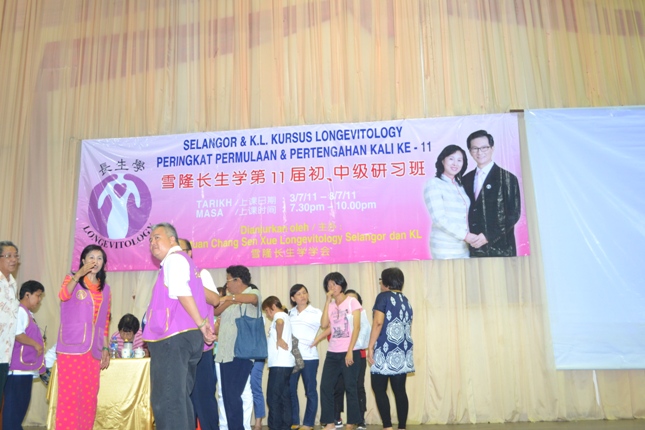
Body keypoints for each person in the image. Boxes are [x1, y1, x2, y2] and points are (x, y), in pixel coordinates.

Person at [142, 223, 216, 430]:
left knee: (167, 399)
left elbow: (181, 291)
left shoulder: (174, 259)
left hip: (172, 338)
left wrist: (202, 324)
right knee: (180, 398)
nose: (152, 243)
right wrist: (201, 325)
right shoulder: (187, 264)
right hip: (185, 338)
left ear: (172, 239)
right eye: (150, 240)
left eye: (157, 237)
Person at [56, 244, 112, 429]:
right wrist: (78, 275)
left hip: (93, 350)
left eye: (99, 258)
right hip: (71, 348)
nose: (95, 261)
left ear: (103, 263)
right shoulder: (72, 280)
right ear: (83, 260)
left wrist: (105, 347)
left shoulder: (106, 289)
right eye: (91, 257)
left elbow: (104, 321)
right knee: (70, 398)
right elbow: (63, 295)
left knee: (89, 397)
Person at [214, 265, 263, 430]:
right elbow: (215, 311)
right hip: (224, 354)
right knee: (228, 397)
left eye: (228, 280)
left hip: (241, 354)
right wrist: (228, 299)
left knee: (234, 395)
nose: (227, 284)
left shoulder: (253, 292)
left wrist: (230, 298)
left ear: (238, 280)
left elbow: (252, 299)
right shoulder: (230, 298)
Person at [179, 238, 220, 430]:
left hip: (202, 347)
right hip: (180, 349)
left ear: (189, 253)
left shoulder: (202, 274)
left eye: (181, 250)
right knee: (184, 399)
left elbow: (215, 300)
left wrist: (191, 283)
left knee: (204, 398)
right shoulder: (168, 277)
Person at [367, 268, 414, 430]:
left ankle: (387, 426)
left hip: (384, 349)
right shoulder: (406, 300)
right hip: (402, 350)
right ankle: (402, 427)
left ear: (386, 282)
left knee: (379, 388)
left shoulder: (383, 297)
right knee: (400, 391)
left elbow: (378, 323)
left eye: (381, 280)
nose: (380, 283)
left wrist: (370, 346)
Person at [462, 129, 522, 257]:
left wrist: (488, 236)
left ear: (492, 148)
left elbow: (513, 214)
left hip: (501, 248)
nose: (480, 152)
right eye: (475, 148)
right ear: (470, 151)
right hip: (473, 247)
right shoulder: (465, 179)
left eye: (484, 148)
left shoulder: (507, 178)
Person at [319, 272, 363, 430]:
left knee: (350, 387)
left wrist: (350, 350)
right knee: (325, 386)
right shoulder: (330, 305)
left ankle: (351, 422)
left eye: (335, 283)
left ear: (342, 285)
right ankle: (329, 422)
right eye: (329, 285)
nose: (332, 287)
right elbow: (324, 325)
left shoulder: (352, 302)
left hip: (349, 351)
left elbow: (356, 327)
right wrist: (327, 301)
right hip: (332, 352)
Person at [3, 280, 45, 430]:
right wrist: (35, 344)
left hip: (25, 370)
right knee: (13, 413)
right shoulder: (20, 311)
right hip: (17, 371)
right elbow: (17, 334)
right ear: (27, 294)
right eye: (38, 295)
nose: (39, 300)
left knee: (19, 412)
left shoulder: (27, 313)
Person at [423, 144, 478, 259]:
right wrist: (465, 236)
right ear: (443, 160)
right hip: (444, 247)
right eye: (451, 159)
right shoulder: (434, 184)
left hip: (463, 246)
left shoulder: (460, 185)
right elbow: (438, 219)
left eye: (459, 160)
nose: (455, 163)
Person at [288, 284, 322, 430]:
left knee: (310, 391)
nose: (302, 296)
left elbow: (330, 326)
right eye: (298, 294)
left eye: (304, 293)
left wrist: (318, 339)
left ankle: (308, 423)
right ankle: (294, 421)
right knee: (290, 389)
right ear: (293, 298)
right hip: (292, 358)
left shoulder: (316, 312)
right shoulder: (289, 313)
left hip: (309, 357)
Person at [262, 296, 295, 430]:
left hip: (280, 363)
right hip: (284, 363)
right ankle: (285, 426)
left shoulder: (279, 315)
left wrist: (279, 338)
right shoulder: (285, 315)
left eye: (267, 311)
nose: (267, 315)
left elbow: (279, 322)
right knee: (284, 396)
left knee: (273, 397)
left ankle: (275, 426)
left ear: (273, 307)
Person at [0, 240, 20, 408]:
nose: (13, 259)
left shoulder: (13, 284)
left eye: (15, 256)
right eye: (8, 256)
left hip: (5, 353)